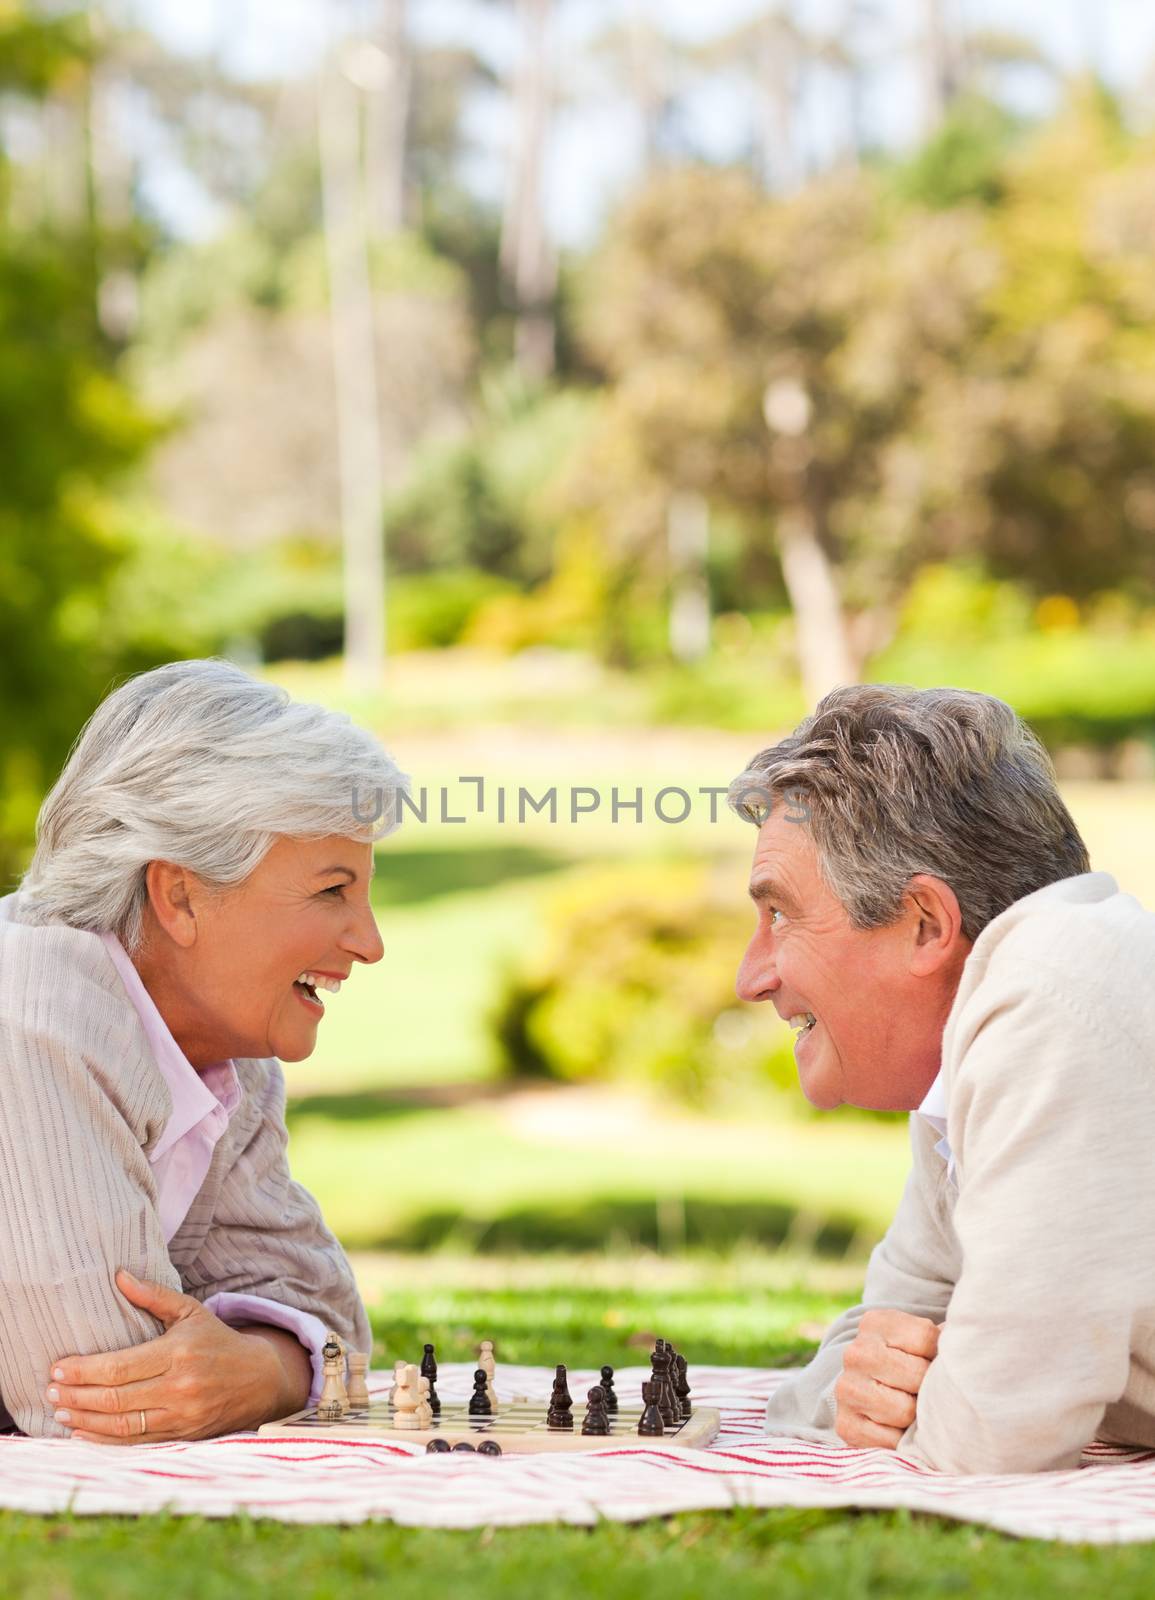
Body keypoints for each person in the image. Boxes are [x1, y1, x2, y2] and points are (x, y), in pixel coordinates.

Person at [729, 684, 1155, 1475]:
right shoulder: (975, 1047)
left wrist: (921, 1401)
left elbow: (992, 1438)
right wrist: (869, 1394)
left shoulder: (1050, 1000)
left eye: (780, 914)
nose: (749, 978)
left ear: (925, 923)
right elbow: (853, 1363)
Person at [0, 659, 405, 1442]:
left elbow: (335, 1328)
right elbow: (98, 1395)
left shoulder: (224, 1054)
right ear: (180, 895)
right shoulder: (27, 1014)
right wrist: (283, 1367)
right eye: (331, 891)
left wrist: (262, 1372)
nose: (370, 942)